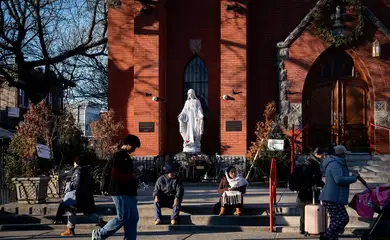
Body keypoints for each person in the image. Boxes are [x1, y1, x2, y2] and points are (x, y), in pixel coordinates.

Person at [92, 134, 141, 240]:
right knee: (123, 217)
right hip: (120, 191)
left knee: (133, 218)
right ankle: (99, 234)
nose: (134, 150)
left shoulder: (126, 156)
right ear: (127, 144)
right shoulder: (119, 156)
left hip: (129, 191)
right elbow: (115, 175)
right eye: (133, 147)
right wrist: (131, 178)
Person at [319, 145, 359, 240]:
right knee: (343, 218)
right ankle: (327, 236)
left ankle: (332, 237)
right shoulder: (335, 164)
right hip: (332, 197)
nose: (346, 156)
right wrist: (353, 178)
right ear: (340, 155)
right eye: (345, 154)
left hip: (332, 197)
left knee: (335, 220)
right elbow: (339, 180)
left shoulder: (337, 163)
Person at [59, 155, 100, 236]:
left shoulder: (78, 171)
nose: (73, 164)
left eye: (74, 162)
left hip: (78, 195)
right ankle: (100, 221)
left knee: (71, 211)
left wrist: (69, 185)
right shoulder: (86, 170)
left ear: (77, 162)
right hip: (85, 195)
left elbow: (76, 184)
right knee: (87, 212)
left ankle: (70, 229)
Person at [289, 147, 325, 234]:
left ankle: (305, 228)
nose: (323, 157)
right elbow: (310, 178)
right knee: (307, 210)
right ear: (317, 155)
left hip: (304, 192)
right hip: (307, 192)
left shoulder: (310, 162)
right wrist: (313, 185)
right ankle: (307, 228)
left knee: (305, 211)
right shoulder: (312, 164)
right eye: (322, 155)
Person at [153, 161, 184, 225]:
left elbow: (180, 190)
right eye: (171, 173)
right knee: (156, 201)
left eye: (174, 172)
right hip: (163, 198)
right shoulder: (161, 179)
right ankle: (157, 218)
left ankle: (174, 218)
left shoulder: (178, 179)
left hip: (172, 198)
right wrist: (156, 196)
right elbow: (156, 190)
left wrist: (177, 197)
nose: (173, 174)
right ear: (167, 173)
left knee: (177, 201)